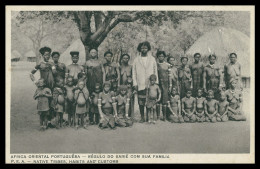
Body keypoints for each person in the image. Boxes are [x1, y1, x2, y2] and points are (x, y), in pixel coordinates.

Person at [132, 41, 158, 123]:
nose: (144, 49)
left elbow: (155, 70)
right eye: (142, 48)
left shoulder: (152, 59)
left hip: (150, 83)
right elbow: (134, 72)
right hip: (140, 83)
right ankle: (142, 117)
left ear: (148, 49)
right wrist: (135, 83)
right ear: (140, 49)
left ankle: (148, 117)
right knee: (141, 101)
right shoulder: (136, 60)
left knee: (149, 100)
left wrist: (156, 82)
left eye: (146, 48)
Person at [157, 50, 171, 121]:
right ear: (157, 57)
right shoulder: (156, 65)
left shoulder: (168, 65)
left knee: (164, 101)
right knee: (158, 100)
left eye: (162, 56)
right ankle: (158, 116)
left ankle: (164, 116)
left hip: (166, 84)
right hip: (158, 84)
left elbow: (169, 76)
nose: (161, 57)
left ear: (164, 57)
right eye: (159, 56)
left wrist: (170, 85)